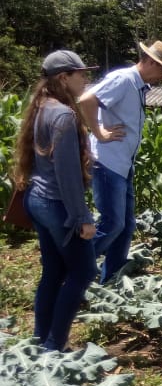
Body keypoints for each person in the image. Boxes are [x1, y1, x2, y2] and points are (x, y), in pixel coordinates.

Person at [13, 51, 98, 351]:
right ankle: (54, 345)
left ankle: (41, 339)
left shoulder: (42, 106)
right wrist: (82, 218)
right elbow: (67, 175)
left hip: (37, 199)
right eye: (81, 74)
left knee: (54, 270)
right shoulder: (63, 115)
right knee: (84, 271)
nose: (85, 78)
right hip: (56, 204)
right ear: (64, 78)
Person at [79, 40, 162, 282]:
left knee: (125, 225)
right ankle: (72, 267)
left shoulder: (138, 86)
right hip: (108, 163)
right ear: (150, 62)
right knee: (113, 224)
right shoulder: (124, 79)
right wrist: (99, 132)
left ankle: (112, 276)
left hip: (123, 165)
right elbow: (86, 100)